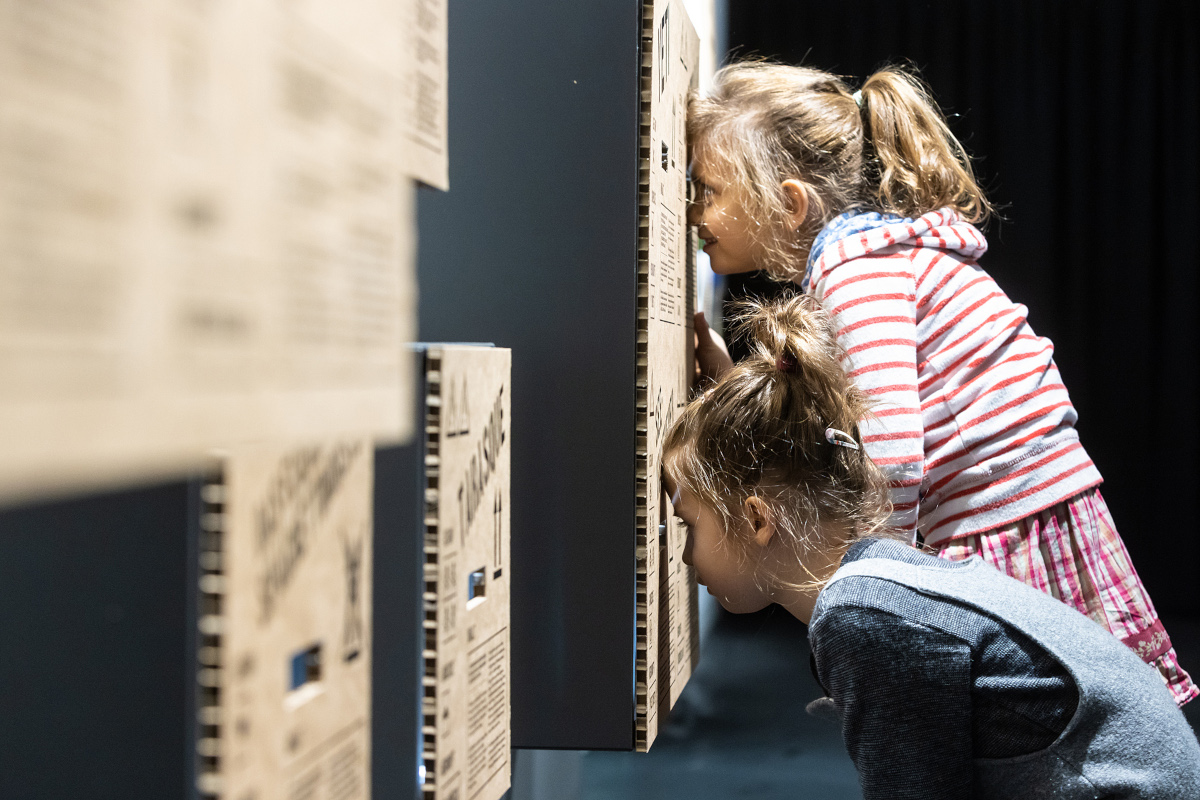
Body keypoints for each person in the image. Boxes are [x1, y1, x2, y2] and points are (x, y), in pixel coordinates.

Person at [687, 60, 1195, 705]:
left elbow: (893, 457)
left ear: (788, 204)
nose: (696, 212)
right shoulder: (871, 260)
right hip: (1018, 509)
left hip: (1006, 522)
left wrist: (876, 599)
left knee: (1036, 725)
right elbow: (832, 421)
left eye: (709, 190)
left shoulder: (857, 273)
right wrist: (728, 384)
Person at [664, 294, 1200, 798]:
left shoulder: (863, 618)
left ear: (757, 518)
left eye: (689, 525)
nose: (686, 556)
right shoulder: (887, 582)